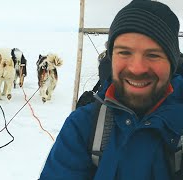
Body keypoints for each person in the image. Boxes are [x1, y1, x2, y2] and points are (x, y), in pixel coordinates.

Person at [39, 0, 183, 179]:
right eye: (124, 52)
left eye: (153, 55)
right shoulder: (83, 126)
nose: (137, 68)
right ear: (111, 58)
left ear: (172, 62)